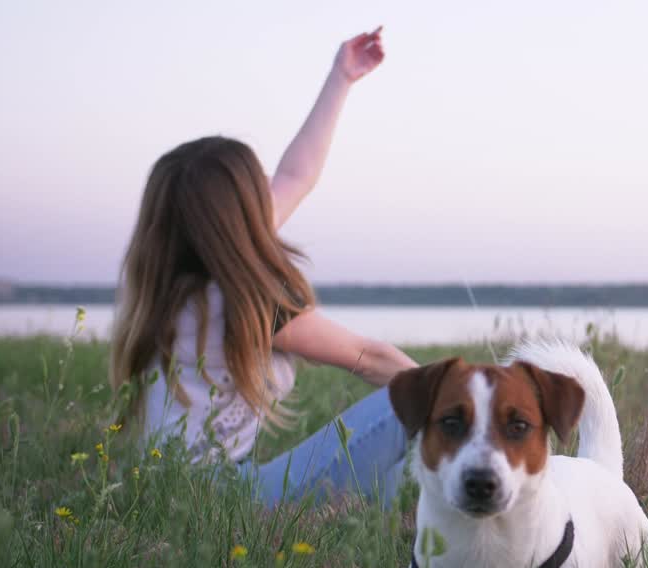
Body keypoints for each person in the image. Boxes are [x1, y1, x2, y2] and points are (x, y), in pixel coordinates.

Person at [109, 27, 418, 507]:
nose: (271, 192)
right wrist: (473, 393)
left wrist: (342, 77)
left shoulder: (176, 280)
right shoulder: (240, 297)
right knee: (412, 399)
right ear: (240, 214)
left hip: (173, 492)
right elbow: (370, 358)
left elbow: (297, 175)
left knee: (416, 442)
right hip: (225, 498)